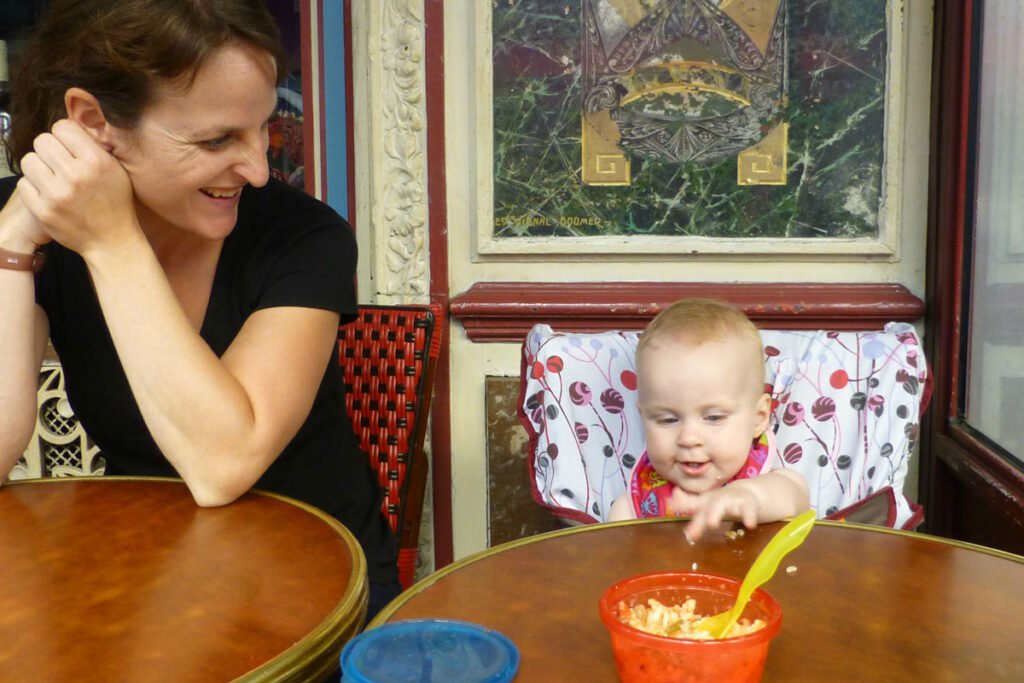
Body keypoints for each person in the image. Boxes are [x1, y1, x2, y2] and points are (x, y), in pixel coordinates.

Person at [0, 0, 401, 621]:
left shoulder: (303, 236)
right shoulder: (41, 227)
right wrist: (12, 244)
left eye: (263, 127)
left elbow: (222, 466)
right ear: (92, 121)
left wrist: (112, 243)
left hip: (312, 583)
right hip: (146, 572)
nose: (260, 170)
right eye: (216, 139)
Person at [607, 298, 809, 540]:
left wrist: (747, 496)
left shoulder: (773, 483)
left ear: (758, 418)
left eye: (713, 417)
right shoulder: (631, 507)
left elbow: (796, 496)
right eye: (668, 420)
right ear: (644, 419)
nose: (689, 438)